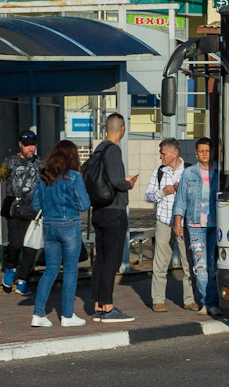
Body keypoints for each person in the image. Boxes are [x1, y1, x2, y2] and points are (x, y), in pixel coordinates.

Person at [30, 140, 91, 328]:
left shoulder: (44, 176)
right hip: (69, 225)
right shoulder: (74, 177)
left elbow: (35, 205)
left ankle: (38, 314)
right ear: (72, 156)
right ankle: (67, 315)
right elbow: (84, 205)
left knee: (50, 270)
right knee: (71, 270)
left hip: (49, 227)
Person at [0, 131, 42, 295]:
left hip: (34, 211)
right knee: (15, 243)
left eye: (33, 145)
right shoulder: (11, 162)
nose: (31, 148)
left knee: (31, 248)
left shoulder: (40, 163)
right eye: (27, 145)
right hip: (15, 209)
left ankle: (22, 280)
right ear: (20, 145)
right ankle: (11, 269)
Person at [88, 113, 137, 323]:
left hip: (98, 210)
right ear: (122, 130)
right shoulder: (114, 150)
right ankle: (108, 307)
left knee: (100, 259)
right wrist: (129, 183)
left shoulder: (97, 149)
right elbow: (118, 182)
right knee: (112, 259)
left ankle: (97, 305)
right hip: (114, 211)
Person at [144, 138, 197, 313]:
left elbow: (197, 196)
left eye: (163, 153)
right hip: (164, 221)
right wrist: (163, 192)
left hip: (183, 223)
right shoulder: (159, 171)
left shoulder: (189, 171)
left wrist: (183, 189)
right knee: (160, 262)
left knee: (188, 261)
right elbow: (148, 196)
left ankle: (190, 300)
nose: (161, 157)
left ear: (174, 154)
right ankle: (158, 300)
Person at [174, 137, 219, 315]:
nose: (204, 154)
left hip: (217, 225)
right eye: (201, 151)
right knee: (200, 266)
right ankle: (208, 302)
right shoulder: (189, 173)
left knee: (212, 266)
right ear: (196, 152)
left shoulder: (219, 172)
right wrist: (177, 222)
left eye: (207, 151)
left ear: (212, 152)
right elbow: (181, 201)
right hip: (195, 224)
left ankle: (214, 301)